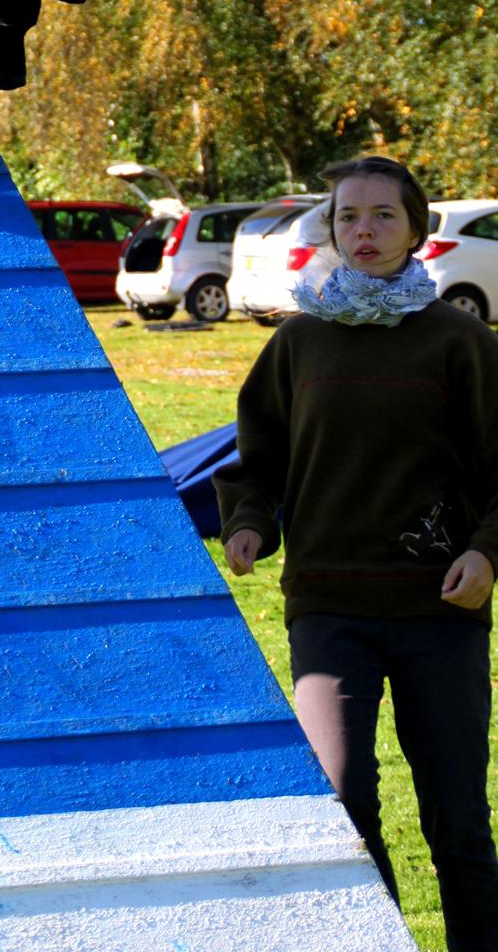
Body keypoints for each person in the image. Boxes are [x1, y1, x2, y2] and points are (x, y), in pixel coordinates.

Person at [216, 155, 498, 952]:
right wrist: (248, 523)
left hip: (439, 610)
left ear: (416, 228)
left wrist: (484, 556)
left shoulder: (461, 341)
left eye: (381, 215)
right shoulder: (298, 340)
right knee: (341, 805)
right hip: (327, 608)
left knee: (457, 821)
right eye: (347, 216)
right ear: (330, 227)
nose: (363, 231)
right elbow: (255, 460)